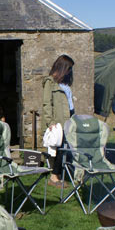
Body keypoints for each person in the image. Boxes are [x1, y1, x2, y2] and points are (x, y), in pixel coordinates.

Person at [42, 54, 75, 186]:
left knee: (67, 148)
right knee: (60, 148)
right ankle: (54, 177)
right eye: (69, 69)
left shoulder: (65, 83)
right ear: (62, 67)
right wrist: (50, 122)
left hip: (70, 118)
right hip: (59, 121)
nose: (70, 72)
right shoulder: (50, 82)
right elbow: (46, 103)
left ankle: (62, 173)